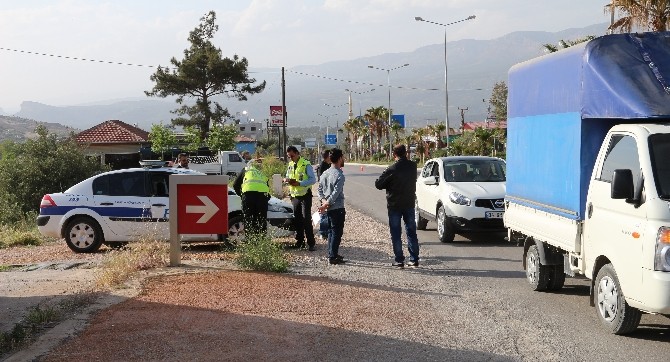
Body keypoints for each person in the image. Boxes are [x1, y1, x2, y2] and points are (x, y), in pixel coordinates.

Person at [374, 144, 420, 268]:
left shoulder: (392, 169)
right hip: (409, 203)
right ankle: (414, 259)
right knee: (411, 231)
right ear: (406, 153)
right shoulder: (413, 166)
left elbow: (379, 184)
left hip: (394, 205)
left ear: (394, 154)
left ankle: (399, 260)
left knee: (396, 233)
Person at [283, 146, 317, 251]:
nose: (291, 158)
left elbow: (312, 180)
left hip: (305, 195)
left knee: (306, 219)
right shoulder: (290, 165)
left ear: (297, 153)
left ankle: (311, 243)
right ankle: (300, 242)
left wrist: (300, 183)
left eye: (292, 156)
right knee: (298, 220)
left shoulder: (306, 164)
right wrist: (286, 179)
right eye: (289, 157)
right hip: (295, 196)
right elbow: (287, 175)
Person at [317, 148, 346, 265]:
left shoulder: (325, 173)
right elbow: (335, 194)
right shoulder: (339, 175)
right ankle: (333, 256)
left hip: (328, 207)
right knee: (336, 232)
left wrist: (324, 202)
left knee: (330, 231)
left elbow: (319, 190)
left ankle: (331, 253)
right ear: (339, 158)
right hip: (337, 208)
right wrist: (327, 203)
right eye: (342, 157)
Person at [233, 159, 270, 236]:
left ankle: (250, 241)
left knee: (249, 219)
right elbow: (267, 188)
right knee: (261, 220)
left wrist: (241, 195)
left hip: (248, 196)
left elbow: (235, 184)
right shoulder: (262, 173)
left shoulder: (246, 170)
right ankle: (261, 241)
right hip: (262, 197)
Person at [316, 149, 332, 241]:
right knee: (324, 212)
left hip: (329, 192)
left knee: (328, 212)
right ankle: (323, 232)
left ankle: (327, 231)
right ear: (327, 156)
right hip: (325, 193)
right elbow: (322, 181)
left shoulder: (329, 165)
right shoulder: (323, 166)